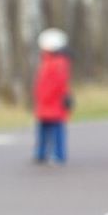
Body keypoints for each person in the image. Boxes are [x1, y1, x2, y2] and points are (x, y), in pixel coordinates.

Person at [33, 28, 72, 165]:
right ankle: (41, 153)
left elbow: (58, 84)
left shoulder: (59, 62)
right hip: (44, 102)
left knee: (57, 130)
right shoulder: (46, 61)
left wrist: (49, 97)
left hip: (54, 102)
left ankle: (59, 155)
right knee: (43, 129)